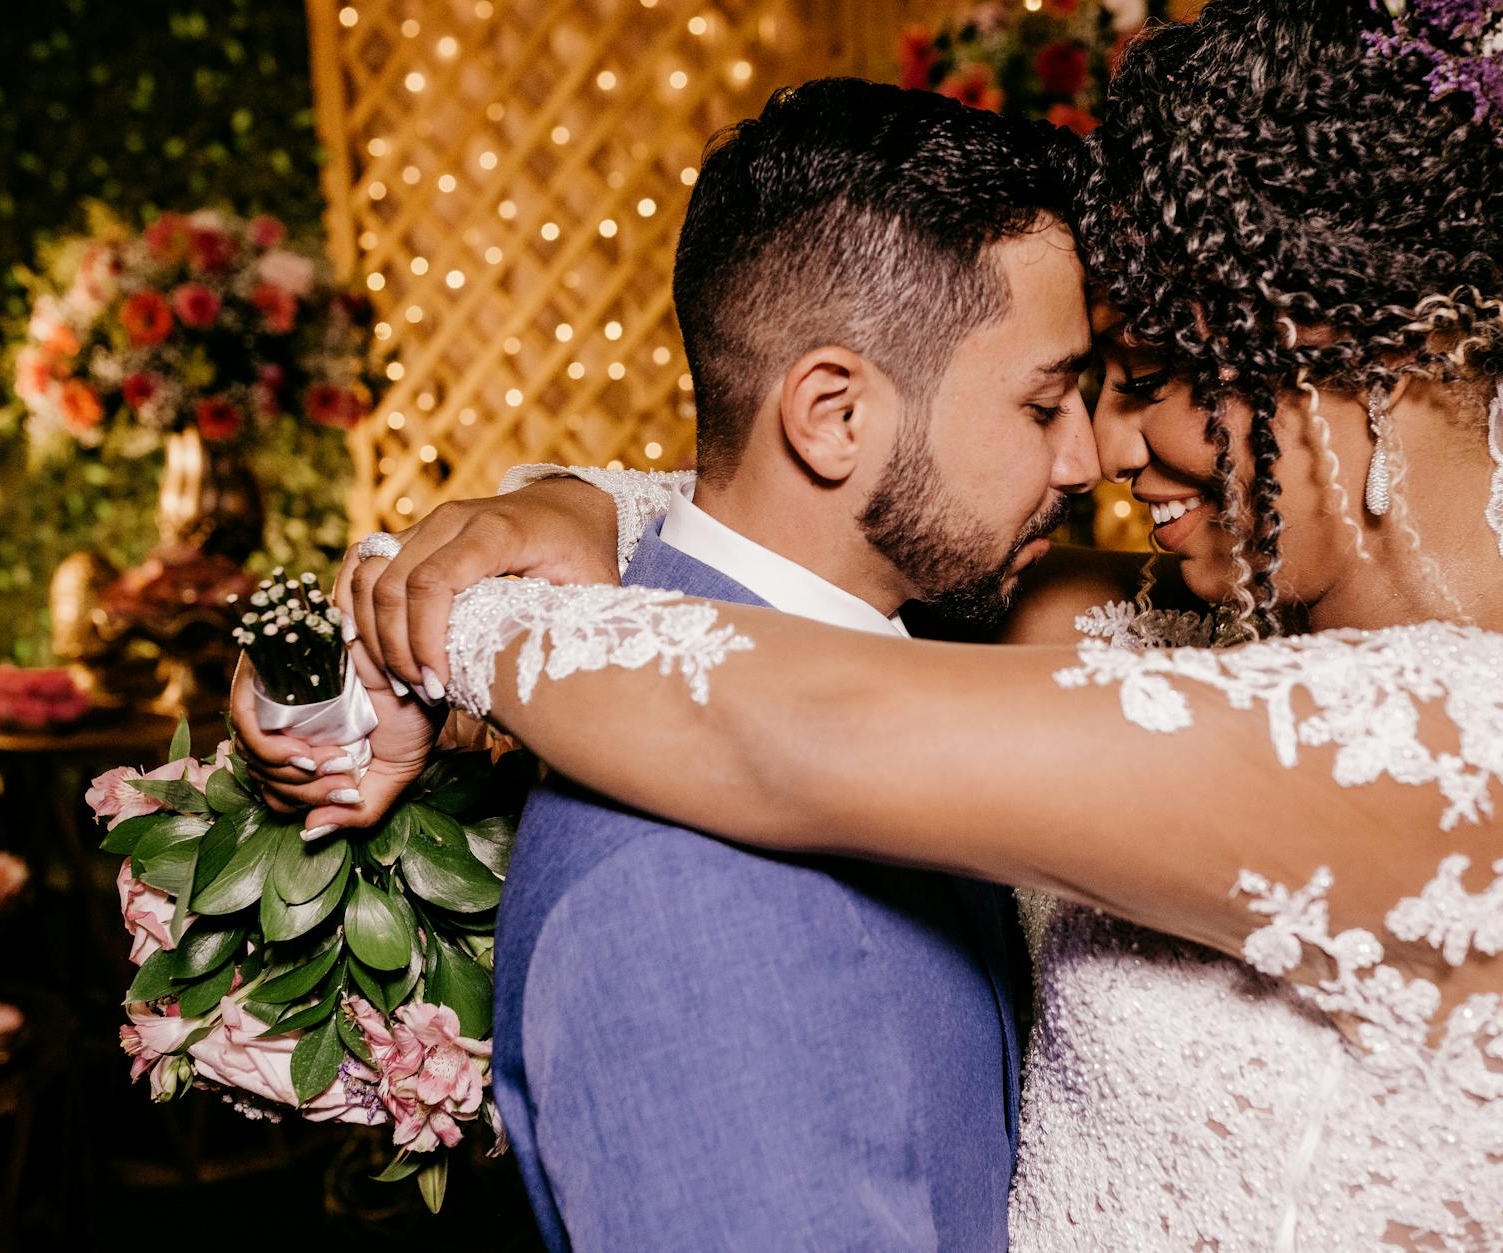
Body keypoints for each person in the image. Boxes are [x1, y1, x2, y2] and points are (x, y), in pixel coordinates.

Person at [267, 2, 1503, 1249]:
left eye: (1144, 374)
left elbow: (794, 724)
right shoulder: (1153, 636)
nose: (1106, 452)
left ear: (1345, 356)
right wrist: (571, 509)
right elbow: (869, 513)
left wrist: (447, 627)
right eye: (1067, 395)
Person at [238, 78, 1117, 1249]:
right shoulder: (678, 893)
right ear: (832, 416)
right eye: (1045, 401)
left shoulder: (910, 638)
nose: (1090, 455)